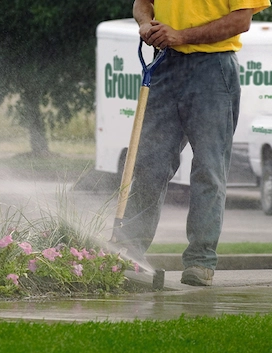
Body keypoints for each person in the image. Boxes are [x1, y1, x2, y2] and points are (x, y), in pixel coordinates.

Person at [111, 0, 270, 286]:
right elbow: (142, 3)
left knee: (209, 167)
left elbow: (241, 20)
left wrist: (181, 36)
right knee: (149, 163)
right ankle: (128, 251)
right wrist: (146, 24)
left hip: (213, 67)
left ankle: (200, 261)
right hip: (165, 63)